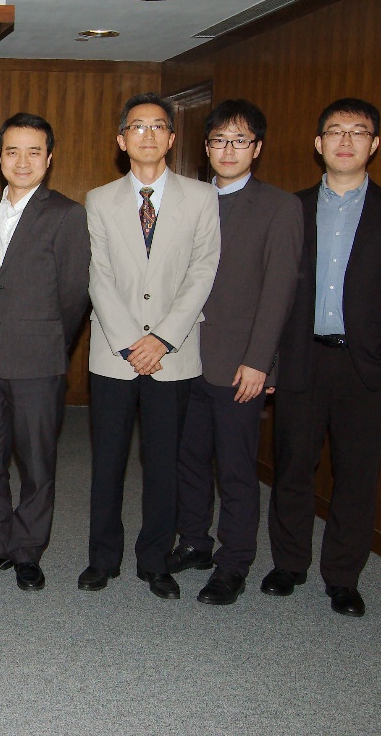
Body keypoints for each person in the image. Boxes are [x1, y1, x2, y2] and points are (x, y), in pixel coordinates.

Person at [264, 98, 381, 617]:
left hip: (367, 367)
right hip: (301, 359)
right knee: (293, 467)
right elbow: (271, 295)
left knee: (357, 475)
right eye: (334, 132)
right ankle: (289, 564)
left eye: (358, 133)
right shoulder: (288, 208)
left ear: (374, 144)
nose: (345, 141)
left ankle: (342, 576)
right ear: (318, 145)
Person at [81, 92, 220, 600]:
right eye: (137, 127)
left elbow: (203, 270)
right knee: (108, 463)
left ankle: (155, 559)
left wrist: (161, 338)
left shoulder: (201, 198)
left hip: (173, 353)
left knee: (164, 463)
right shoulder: (98, 199)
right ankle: (102, 559)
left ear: (172, 138)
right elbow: (97, 274)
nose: (147, 135)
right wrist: (130, 340)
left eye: (158, 126)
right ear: (122, 140)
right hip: (113, 353)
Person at [168, 99, 302, 605]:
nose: (229, 150)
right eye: (219, 140)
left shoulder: (279, 207)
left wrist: (260, 360)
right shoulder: (189, 200)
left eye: (240, 141)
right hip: (184, 358)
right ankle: (196, 543)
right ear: (205, 148)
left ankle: (233, 562)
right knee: (189, 460)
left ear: (257, 149)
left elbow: (279, 292)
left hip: (239, 363)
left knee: (237, 469)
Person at [0, 113, 89, 591]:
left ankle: (28, 550)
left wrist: (47, 338)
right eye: (12, 151)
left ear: (49, 159)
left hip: (38, 360)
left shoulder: (66, 214)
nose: (22, 161)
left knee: (37, 462)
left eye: (33, 151)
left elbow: (75, 294)